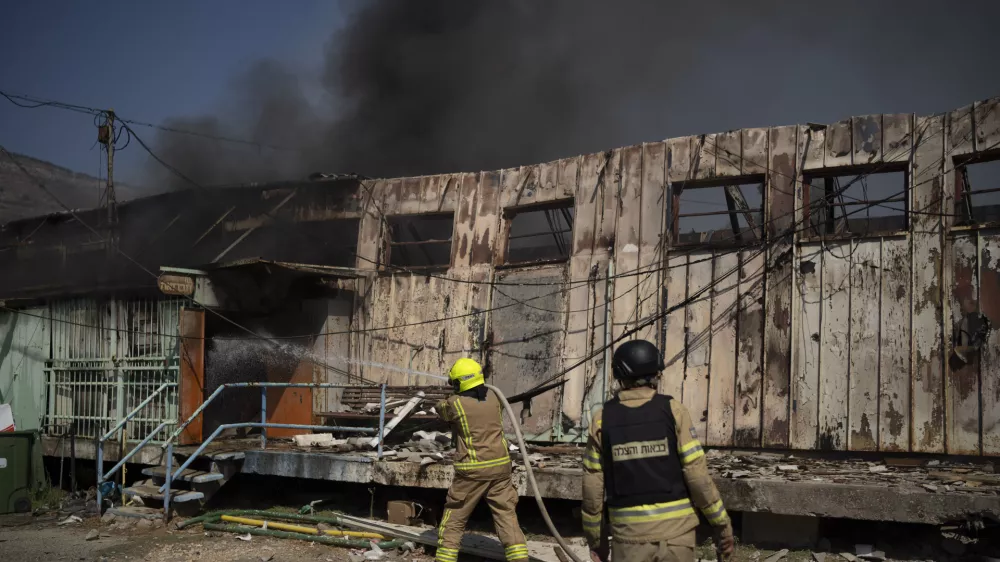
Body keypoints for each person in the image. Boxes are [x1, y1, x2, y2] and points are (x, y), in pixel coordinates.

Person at [581, 339, 735, 562]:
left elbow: (592, 491)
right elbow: (697, 476)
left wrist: (596, 541)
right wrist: (722, 525)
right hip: (677, 538)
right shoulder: (674, 411)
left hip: (629, 539)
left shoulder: (602, 420)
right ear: (656, 373)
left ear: (619, 376)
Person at [434, 358, 529, 562]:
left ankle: (444, 559)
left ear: (460, 382)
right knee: (507, 516)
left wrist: (449, 395)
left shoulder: (455, 404)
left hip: (472, 470)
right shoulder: (495, 397)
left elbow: (441, 411)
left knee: (455, 517)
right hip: (501, 467)